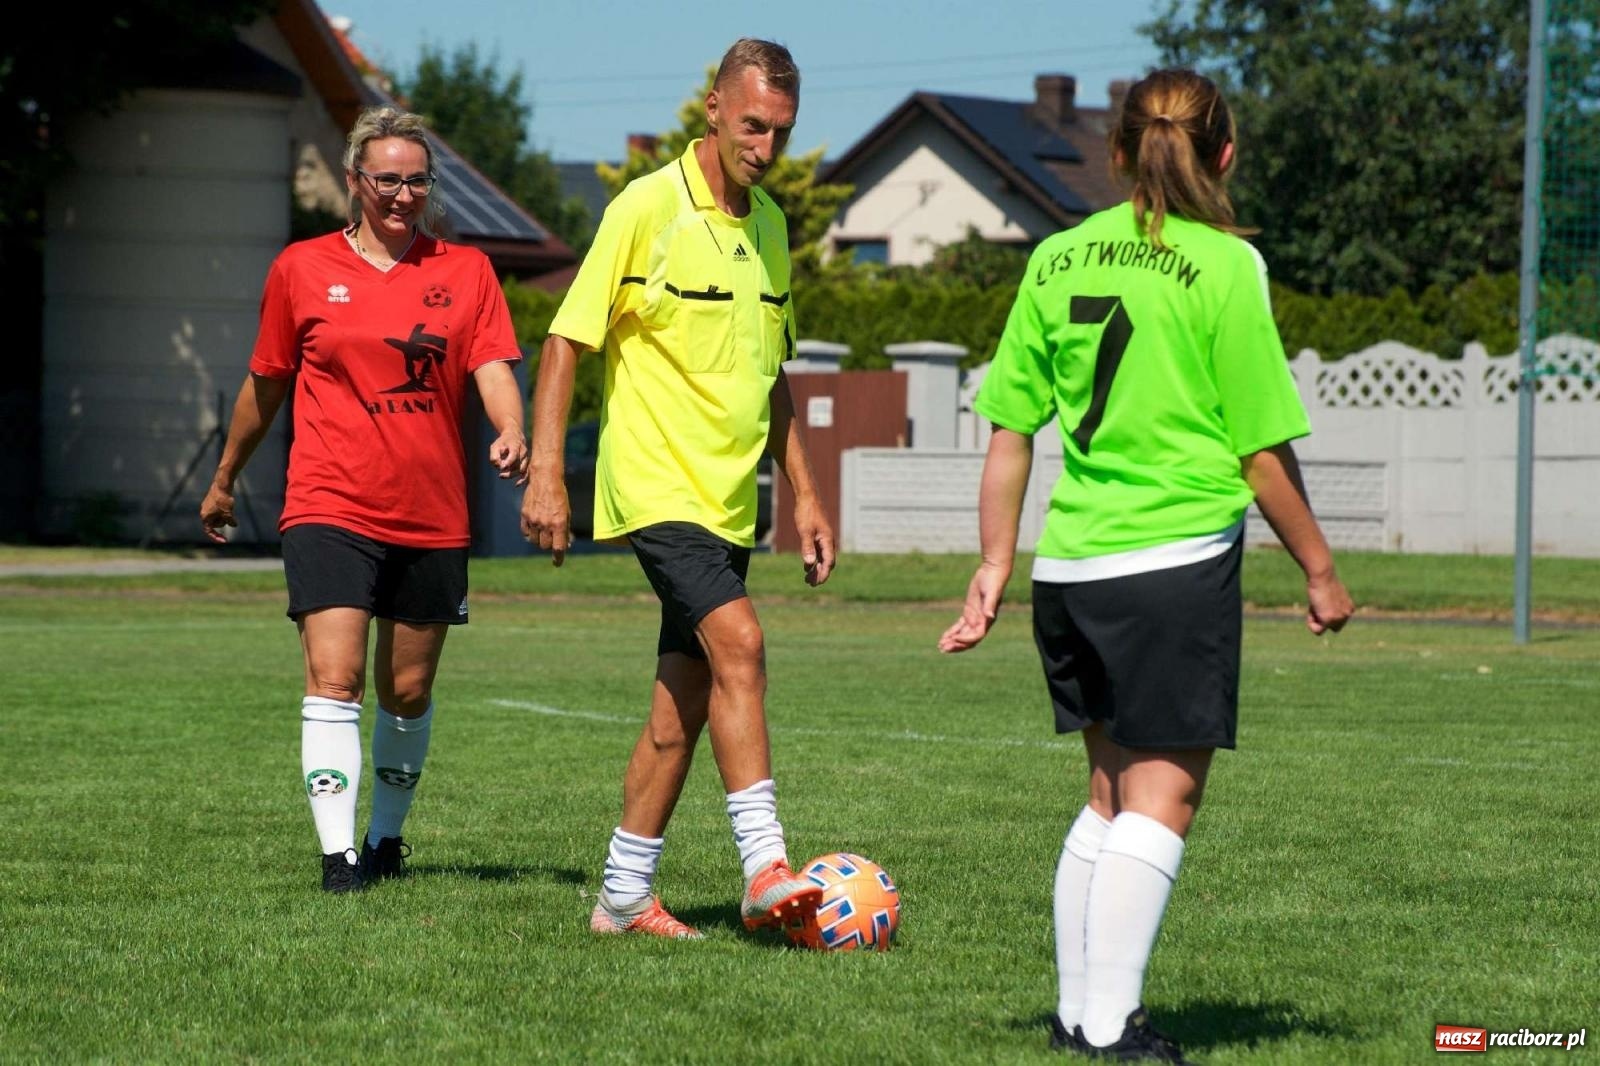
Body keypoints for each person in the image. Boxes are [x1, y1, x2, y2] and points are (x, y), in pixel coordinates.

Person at [939, 70, 1354, 1062]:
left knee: (1107, 800)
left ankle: (1078, 1016)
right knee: (1162, 801)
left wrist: (993, 562)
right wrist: (1320, 569)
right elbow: (1259, 452)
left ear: (1117, 152)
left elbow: (1007, 431)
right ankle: (1109, 1026)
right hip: (1170, 565)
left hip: (1072, 568)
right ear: (1224, 153)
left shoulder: (1053, 257)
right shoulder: (1225, 267)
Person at [520, 38, 835, 940]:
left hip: (731, 501)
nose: (764, 147)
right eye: (751, 126)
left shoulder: (772, 226)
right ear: (711, 107)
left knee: (681, 707)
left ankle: (622, 896)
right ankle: (766, 867)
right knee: (740, 641)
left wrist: (805, 497)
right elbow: (565, 339)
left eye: (780, 131)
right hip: (657, 489)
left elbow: (774, 375)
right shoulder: (645, 208)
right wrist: (548, 472)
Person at [200, 106, 528, 893]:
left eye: (417, 180)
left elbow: (492, 366)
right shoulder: (301, 270)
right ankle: (338, 856)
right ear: (355, 181)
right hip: (328, 504)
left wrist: (512, 429)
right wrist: (224, 477)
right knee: (336, 677)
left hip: (432, 512)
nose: (403, 195)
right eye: (387, 179)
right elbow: (266, 382)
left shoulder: (466, 272)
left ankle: (385, 838)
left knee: (406, 690)